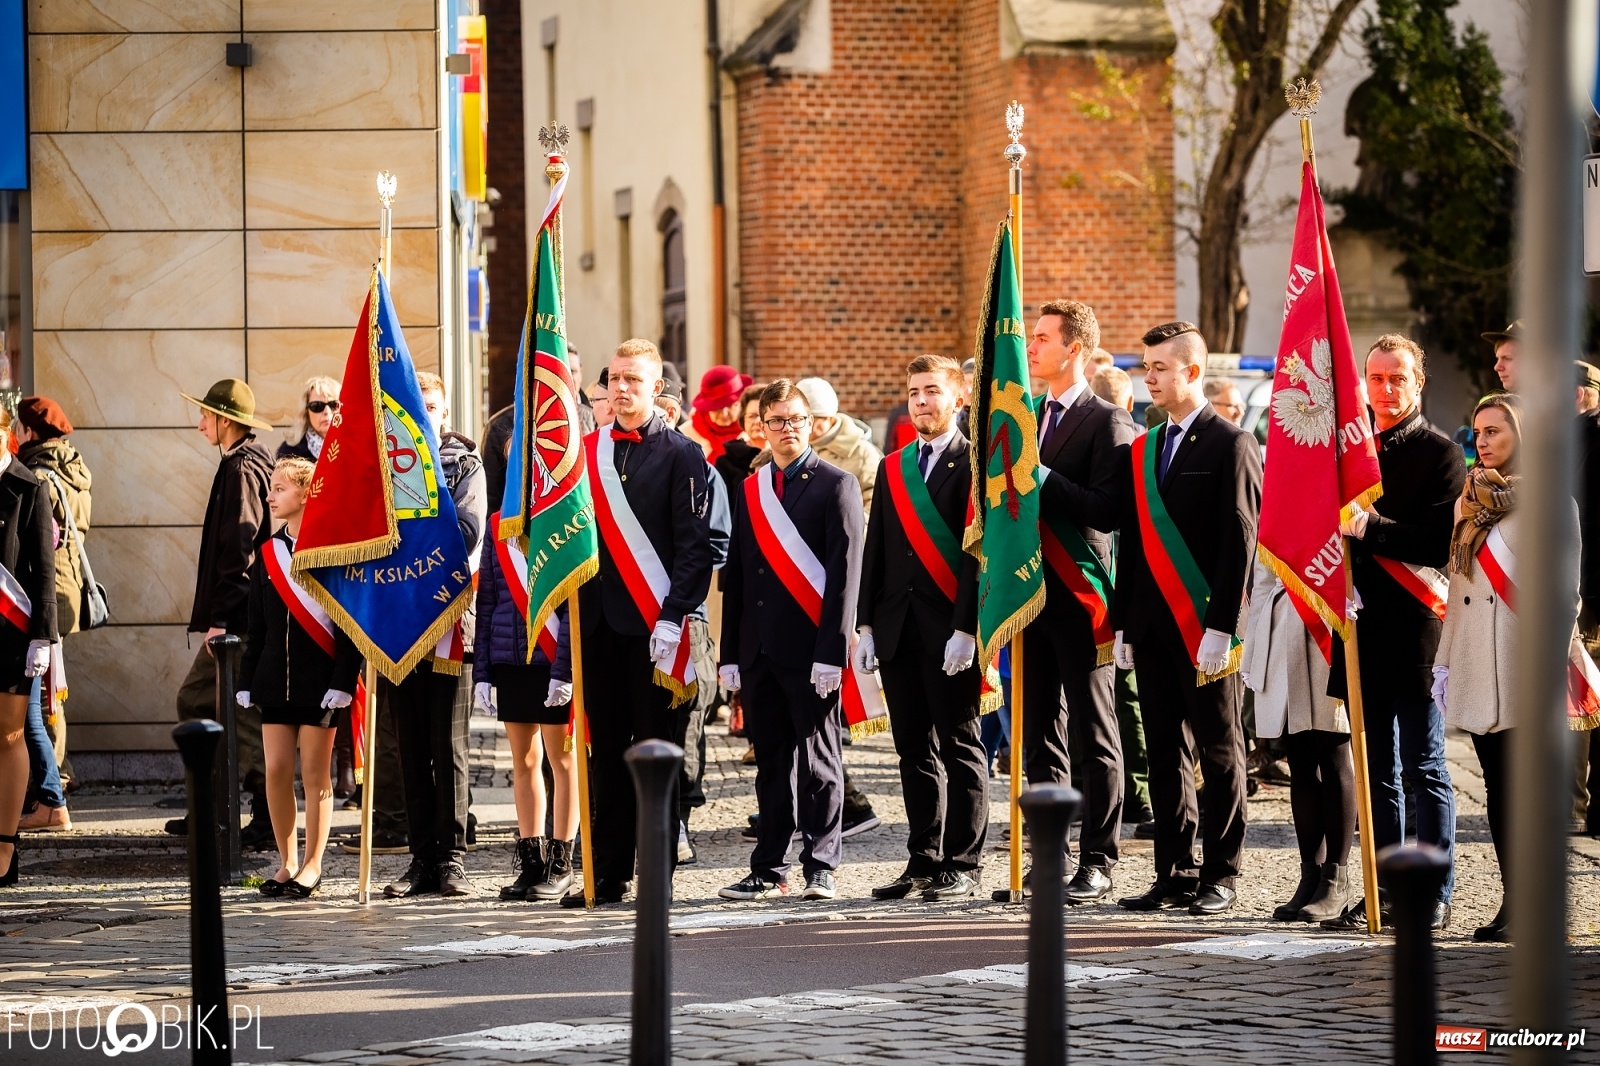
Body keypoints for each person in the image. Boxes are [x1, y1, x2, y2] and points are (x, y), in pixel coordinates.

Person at [1114, 322, 1260, 916]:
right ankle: (1173, 870)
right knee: (1166, 749)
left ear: (1191, 372)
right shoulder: (1145, 447)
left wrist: (1222, 627)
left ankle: (1221, 871)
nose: (1148, 377)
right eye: (1145, 368)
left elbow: (1240, 543)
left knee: (1221, 750)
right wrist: (1124, 624)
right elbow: (1132, 542)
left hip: (1204, 625)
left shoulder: (1232, 443)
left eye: (1159, 368)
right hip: (1150, 626)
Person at [1322, 334, 1463, 933]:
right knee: (1374, 765)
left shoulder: (1440, 455)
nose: (1385, 390)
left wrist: (1371, 527)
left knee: (1422, 764)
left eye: (1397, 378)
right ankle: (1382, 889)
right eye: (1375, 379)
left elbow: (1437, 543)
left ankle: (1431, 890)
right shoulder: (1350, 452)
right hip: (1359, 629)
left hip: (1415, 630)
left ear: (1418, 382)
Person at [570, 339, 716, 907]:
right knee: (604, 751)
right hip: (600, 626)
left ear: (656, 388)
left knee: (657, 752)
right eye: (615, 379)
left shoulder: (684, 454)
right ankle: (606, 871)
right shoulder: (586, 451)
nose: (622, 388)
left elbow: (693, 548)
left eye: (634, 379)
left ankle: (655, 872)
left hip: (658, 629)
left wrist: (675, 616)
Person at [1432, 393, 1584, 941]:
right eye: (1477, 432)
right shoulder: (1467, 500)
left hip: (1523, 664)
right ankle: (1514, 898)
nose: (1483, 442)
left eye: (1495, 431)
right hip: (1477, 660)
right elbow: (1459, 584)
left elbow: (1565, 597)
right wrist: (1446, 661)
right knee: (1499, 791)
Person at [718, 379, 863, 901]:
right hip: (758, 650)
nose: (784, 430)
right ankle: (769, 866)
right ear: (762, 426)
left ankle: (821, 862)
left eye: (794, 420)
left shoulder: (836, 484)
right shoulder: (749, 488)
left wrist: (832, 651)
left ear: (811, 424)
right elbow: (736, 576)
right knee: (772, 763)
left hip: (810, 650)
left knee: (821, 761)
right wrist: (731, 652)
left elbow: (846, 577)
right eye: (774, 421)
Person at [857, 355, 985, 901]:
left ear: (957, 399)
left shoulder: (978, 464)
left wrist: (968, 628)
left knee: (959, 745)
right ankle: (923, 858)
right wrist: (864, 624)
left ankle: (964, 861)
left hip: (950, 631)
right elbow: (877, 548)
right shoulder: (893, 467)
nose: (920, 402)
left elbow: (980, 557)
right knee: (912, 749)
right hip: (897, 628)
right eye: (913, 392)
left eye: (931, 391)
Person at [1021, 300, 1136, 903]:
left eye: (1042, 338)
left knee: (1094, 730)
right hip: (1030, 592)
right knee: (1039, 730)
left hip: (1081, 594)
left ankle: (1098, 857)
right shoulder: (1028, 415)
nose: (1032, 347)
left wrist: (1042, 478)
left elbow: (1107, 510)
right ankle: (1050, 851)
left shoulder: (1107, 420)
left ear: (1075, 350)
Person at [381, 372, 487, 899]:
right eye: (414, 405)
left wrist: (407, 526)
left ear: (445, 411)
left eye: (432, 405)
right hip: (396, 619)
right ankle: (420, 858)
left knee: (448, 744)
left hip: (449, 619)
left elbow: (467, 529)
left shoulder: (465, 464)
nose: (425, 413)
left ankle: (452, 858)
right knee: (409, 744)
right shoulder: (381, 464)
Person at [239, 457, 361, 898]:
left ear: (307, 493)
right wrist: (247, 678)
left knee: (315, 775)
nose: (270, 496)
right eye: (271, 488)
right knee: (274, 769)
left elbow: (350, 625)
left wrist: (345, 680)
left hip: (321, 682)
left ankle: (313, 864)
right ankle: (287, 861)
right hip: (275, 679)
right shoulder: (268, 553)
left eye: (279, 489)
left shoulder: (332, 550)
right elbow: (258, 626)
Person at [173, 379, 275, 848]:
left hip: (239, 620)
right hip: (241, 615)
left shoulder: (241, 467)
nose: (199, 424)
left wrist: (221, 619)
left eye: (205, 416)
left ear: (225, 420)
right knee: (212, 705)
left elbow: (240, 546)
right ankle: (216, 808)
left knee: (227, 709)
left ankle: (260, 813)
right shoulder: (246, 463)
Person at [474, 496, 577, 903]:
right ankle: (531, 858)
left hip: (552, 657)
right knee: (524, 761)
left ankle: (561, 862)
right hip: (510, 657)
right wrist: (483, 671)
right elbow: (488, 601)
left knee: (562, 761)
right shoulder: (499, 524)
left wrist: (565, 668)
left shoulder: (566, 516)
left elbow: (572, 603)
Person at [1243, 557, 1354, 922]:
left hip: (1328, 627)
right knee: (1301, 763)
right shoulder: (1275, 499)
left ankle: (1336, 880)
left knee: (1334, 755)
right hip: (1281, 634)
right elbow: (1262, 579)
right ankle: (1311, 874)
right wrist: (1255, 647)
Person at [14, 397, 90, 832]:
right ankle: (53, 780)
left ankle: (51, 788)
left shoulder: (38, 474)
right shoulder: (74, 469)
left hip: (46, 594)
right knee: (50, 691)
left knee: (43, 698)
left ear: (30, 432)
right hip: (66, 590)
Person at [0, 404, 59, 888]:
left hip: (12, 632)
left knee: (10, 736)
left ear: (7, 435)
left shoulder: (30, 486)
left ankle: (5, 846)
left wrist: (44, 635)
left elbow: (44, 573)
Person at [795, 378, 884, 512]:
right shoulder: (795, 449)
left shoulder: (863, 453)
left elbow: (876, 504)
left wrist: (852, 531)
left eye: (806, 419)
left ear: (826, 416)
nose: (800, 425)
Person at [685, 365, 754, 464]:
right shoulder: (685, 435)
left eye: (731, 405)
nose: (724, 414)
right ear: (706, 407)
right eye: (717, 408)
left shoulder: (755, 431)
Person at [278, 376, 340, 462]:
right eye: (317, 406)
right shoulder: (290, 454)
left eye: (334, 405)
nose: (327, 411)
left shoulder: (356, 446)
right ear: (306, 413)